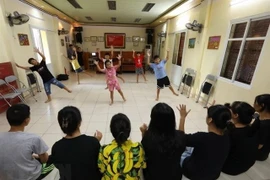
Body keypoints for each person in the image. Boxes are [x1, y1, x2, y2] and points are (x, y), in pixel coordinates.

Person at [0, 104, 54, 180]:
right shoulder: (33, 138)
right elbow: (44, 160)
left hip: (5, 177)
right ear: (27, 121)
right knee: (53, 160)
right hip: (31, 177)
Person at [178, 104, 231, 180]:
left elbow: (181, 138)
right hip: (214, 175)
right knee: (192, 147)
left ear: (210, 120)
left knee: (180, 150)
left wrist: (182, 118)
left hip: (193, 173)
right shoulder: (227, 136)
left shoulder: (202, 137)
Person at [49, 106, 102, 180]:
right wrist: (95, 141)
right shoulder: (92, 142)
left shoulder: (57, 147)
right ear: (79, 122)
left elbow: (61, 167)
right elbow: (99, 163)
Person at [140, 103, 186, 180]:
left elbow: (145, 152)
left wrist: (144, 133)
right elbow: (182, 135)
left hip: (153, 176)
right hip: (174, 176)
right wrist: (182, 118)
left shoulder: (148, 138)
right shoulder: (179, 138)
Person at [98, 113, 146, 179]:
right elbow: (143, 165)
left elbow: (101, 169)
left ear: (112, 131)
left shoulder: (104, 150)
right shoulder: (138, 148)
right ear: (129, 130)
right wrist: (144, 133)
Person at [222, 101, 258, 175]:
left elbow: (220, 149)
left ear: (235, 115)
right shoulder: (252, 129)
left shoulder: (231, 133)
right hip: (247, 165)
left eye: (231, 109)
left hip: (230, 168)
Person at [251, 94, 270, 161]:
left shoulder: (266, 125)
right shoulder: (261, 116)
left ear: (262, 105)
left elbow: (260, 145)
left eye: (255, 103)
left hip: (258, 154)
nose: (253, 104)